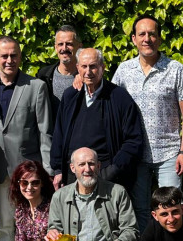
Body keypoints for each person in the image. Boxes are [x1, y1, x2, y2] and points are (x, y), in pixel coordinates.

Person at [112, 15, 183, 232]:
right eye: (142, 34)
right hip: (136, 154)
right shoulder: (123, 71)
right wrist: (79, 78)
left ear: (159, 39)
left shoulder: (175, 69)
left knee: (171, 208)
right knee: (139, 208)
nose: (147, 39)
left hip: (168, 153)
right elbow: (107, 101)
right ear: (133, 39)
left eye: (152, 34)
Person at [0, 35, 53, 241]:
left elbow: (45, 132)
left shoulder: (36, 87)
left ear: (20, 56)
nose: (9, 60)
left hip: (27, 174)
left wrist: (48, 172)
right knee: (5, 224)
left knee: (35, 226)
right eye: (4, 56)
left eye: (14, 55)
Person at [50, 48, 144, 191]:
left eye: (93, 66)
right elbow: (59, 134)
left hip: (106, 176)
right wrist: (58, 170)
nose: (88, 71)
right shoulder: (70, 96)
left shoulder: (119, 98)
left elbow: (133, 140)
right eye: (84, 66)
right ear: (77, 68)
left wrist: (113, 170)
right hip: (72, 175)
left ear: (103, 68)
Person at [36, 25, 82, 118]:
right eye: (60, 44)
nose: (64, 48)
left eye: (69, 44)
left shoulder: (87, 77)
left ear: (79, 47)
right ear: (55, 47)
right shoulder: (43, 75)